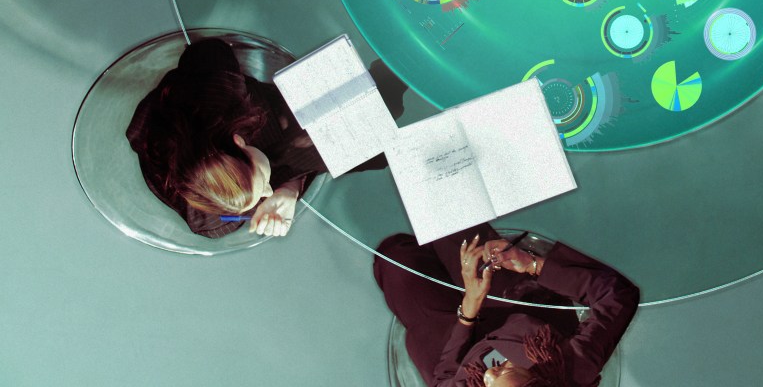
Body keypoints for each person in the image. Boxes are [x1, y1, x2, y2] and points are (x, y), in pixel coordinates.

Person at [126, 37, 406, 239]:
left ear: (238, 141)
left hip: (263, 112)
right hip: (286, 158)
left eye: (263, 185)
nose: (268, 192)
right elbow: (241, 210)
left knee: (365, 114)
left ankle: (394, 73)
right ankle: (394, 82)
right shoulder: (214, 218)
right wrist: (289, 190)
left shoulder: (216, 94)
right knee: (371, 145)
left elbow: (210, 51)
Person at [374, 224, 639, 387]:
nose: (487, 376)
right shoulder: (573, 366)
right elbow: (617, 296)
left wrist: (469, 309)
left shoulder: (481, 380)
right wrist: (531, 264)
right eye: (504, 372)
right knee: (447, 216)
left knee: (394, 260)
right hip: (515, 304)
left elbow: (445, 380)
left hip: (451, 341)